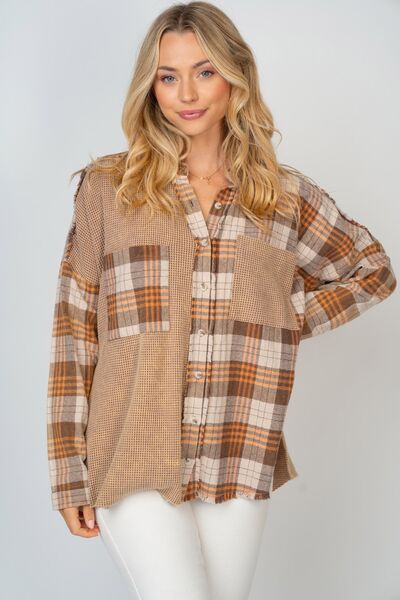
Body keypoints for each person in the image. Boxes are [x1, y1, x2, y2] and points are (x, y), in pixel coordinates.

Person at [46, 2, 397, 599]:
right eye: (168, 76)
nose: (186, 93)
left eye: (204, 72)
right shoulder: (108, 190)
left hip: (241, 445)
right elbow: (74, 331)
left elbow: (373, 270)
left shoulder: (284, 198)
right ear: (150, 86)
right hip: (132, 448)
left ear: (235, 77)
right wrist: (66, 473)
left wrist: (287, 315)